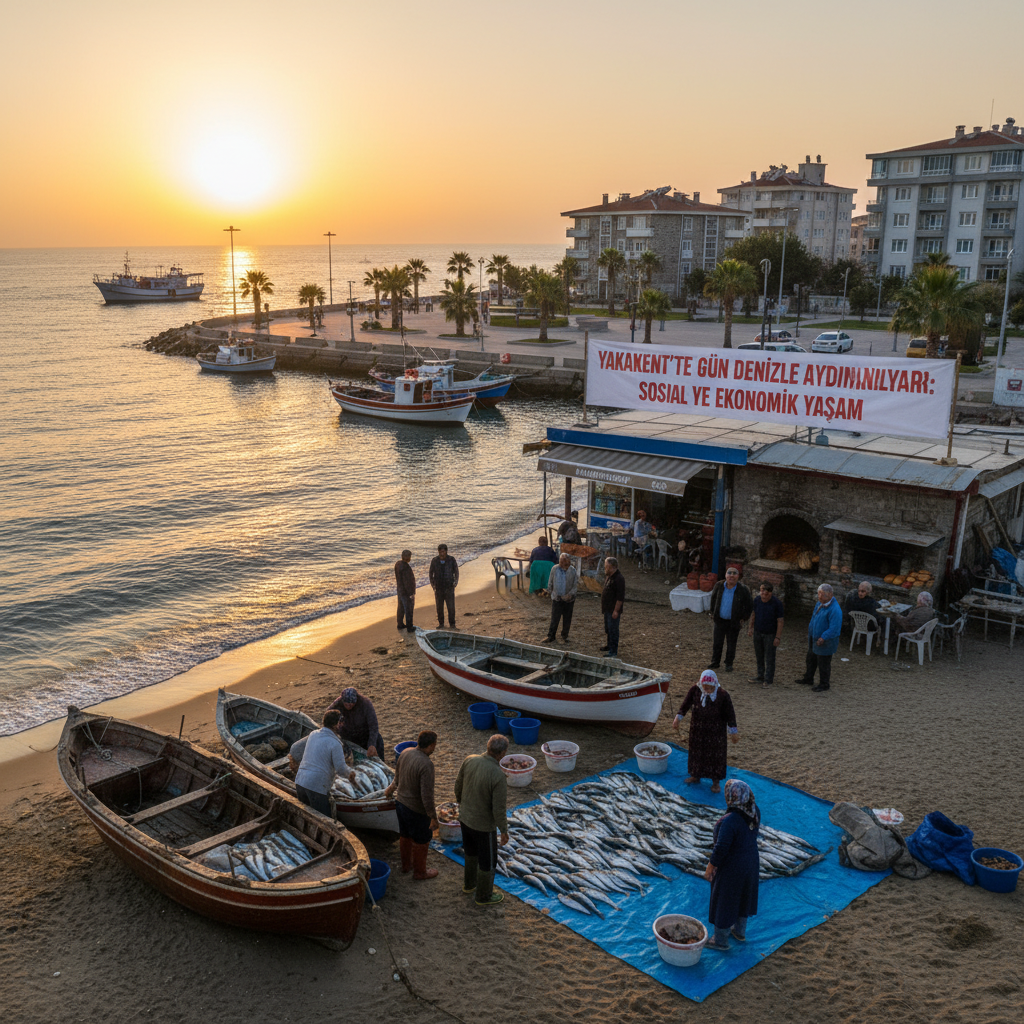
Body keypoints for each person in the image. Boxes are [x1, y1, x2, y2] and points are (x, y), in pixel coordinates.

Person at [704, 779, 760, 951]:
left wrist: (711, 866)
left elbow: (721, 848)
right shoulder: (754, 811)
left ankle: (720, 941)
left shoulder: (729, 821)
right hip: (751, 862)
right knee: (744, 895)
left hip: (732, 867)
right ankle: (739, 932)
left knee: (725, 900)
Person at [454, 734, 510, 906]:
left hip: (465, 819)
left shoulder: (470, 760)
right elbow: (498, 809)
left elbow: (457, 786)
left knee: (470, 852)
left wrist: (463, 804)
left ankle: (469, 885)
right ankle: (483, 896)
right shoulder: (498, 776)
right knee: (488, 862)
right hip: (483, 827)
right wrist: (504, 830)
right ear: (502, 753)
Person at [672, 669, 739, 793]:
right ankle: (695, 775)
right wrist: (678, 719)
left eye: (710, 688)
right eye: (705, 687)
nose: (707, 690)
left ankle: (715, 782)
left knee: (716, 756)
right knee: (696, 753)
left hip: (716, 733)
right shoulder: (695, 690)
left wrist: (733, 732)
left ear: (714, 685)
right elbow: (685, 704)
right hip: (697, 730)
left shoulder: (723, 695)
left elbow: (730, 714)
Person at [384, 730, 439, 881]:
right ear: (432, 745)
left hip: (400, 805)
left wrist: (388, 791)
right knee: (422, 839)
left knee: (405, 835)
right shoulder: (427, 765)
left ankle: (406, 866)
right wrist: (433, 817)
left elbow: (396, 779)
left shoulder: (405, 753)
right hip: (416, 810)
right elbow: (427, 796)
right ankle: (420, 872)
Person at [294, 710, 355, 816]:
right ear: (336, 724)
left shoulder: (313, 734)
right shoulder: (335, 743)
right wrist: (351, 774)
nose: (341, 725)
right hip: (316, 787)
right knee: (324, 818)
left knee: (307, 816)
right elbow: (340, 769)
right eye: (340, 723)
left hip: (300, 782)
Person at [795, 583, 843, 692]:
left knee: (823, 663)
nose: (820, 597)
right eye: (819, 594)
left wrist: (823, 637)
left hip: (826, 641)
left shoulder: (835, 610)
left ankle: (824, 684)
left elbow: (834, 628)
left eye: (823, 595)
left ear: (830, 595)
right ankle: (808, 678)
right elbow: (814, 617)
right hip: (814, 637)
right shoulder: (820, 604)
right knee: (810, 659)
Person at [708, 568, 754, 673]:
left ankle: (729, 664)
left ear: (738, 576)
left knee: (731, 644)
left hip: (734, 622)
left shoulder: (743, 589)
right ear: (725, 575)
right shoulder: (719, 585)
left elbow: (749, 605)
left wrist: (743, 618)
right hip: (719, 620)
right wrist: (713, 613)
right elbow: (713, 600)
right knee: (717, 642)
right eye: (729, 573)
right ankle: (715, 662)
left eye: (734, 573)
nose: (731, 575)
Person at [328, 687, 384, 758]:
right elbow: (328, 719)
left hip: (365, 734)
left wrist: (371, 744)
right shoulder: (337, 704)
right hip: (348, 736)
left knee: (378, 744)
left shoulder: (365, 704)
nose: (349, 705)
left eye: (352, 703)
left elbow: (373, 725)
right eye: (346, 704)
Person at [747, 582, 784, 686]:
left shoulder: (777, 603)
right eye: (761, 590)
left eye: (765, 591)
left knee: (770, 657)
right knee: (759, 655)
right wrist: (751, 627)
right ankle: (760, 676)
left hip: (770, 634)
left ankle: (768, 679)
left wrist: (777, 637)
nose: (762, 593)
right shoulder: (757, 600)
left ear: (770, 593)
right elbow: (753, 614)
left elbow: (780, 621)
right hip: (758, 632)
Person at [543, 553, 578, 643]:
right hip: (557, 598)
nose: (563, 564)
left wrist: (570, 594)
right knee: (555, 618)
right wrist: (549, 592)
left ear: (569, 562)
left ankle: (565, 636)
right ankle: (551, 636)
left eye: (565, 562)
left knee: (567, 619)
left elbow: (575, 586)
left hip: (569, 600)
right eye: (561, 561)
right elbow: (550, 583)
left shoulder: (573, 570)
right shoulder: (554, 569)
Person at [429, 544, 459, 629]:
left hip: (449, 587)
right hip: (438, 588)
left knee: (451, 607)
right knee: (439, 607)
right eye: (440, 552)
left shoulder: (451, 559)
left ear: (446, 551)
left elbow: (456, 571)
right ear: (438, 551)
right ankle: (441, 624)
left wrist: (455, 582)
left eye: (443, 551)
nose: (442, 553)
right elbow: (430, 573)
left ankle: (452, 624)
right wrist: (433, 585)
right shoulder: (434, 560)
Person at [600, 556, 625, 658]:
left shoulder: (619, 579)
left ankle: (613, 651)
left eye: (606, 566)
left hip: (612, 609)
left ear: (612, 567)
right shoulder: (610, 576)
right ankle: (609, 645)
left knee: (613, 630)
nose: (605, 568)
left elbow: (620, 597)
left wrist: (616, 610)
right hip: (607, 608)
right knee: (608, 629)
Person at [395, 549, 416, 633]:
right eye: (409, 556)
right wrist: (411, 593)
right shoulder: (405, 567)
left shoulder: (398, 564)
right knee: (408, 609)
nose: (410, 558)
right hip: (406, 592)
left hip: (400, 589)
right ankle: (409, 627)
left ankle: (400, 624)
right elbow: (407, 581)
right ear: (408, 557)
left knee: (400, 608)